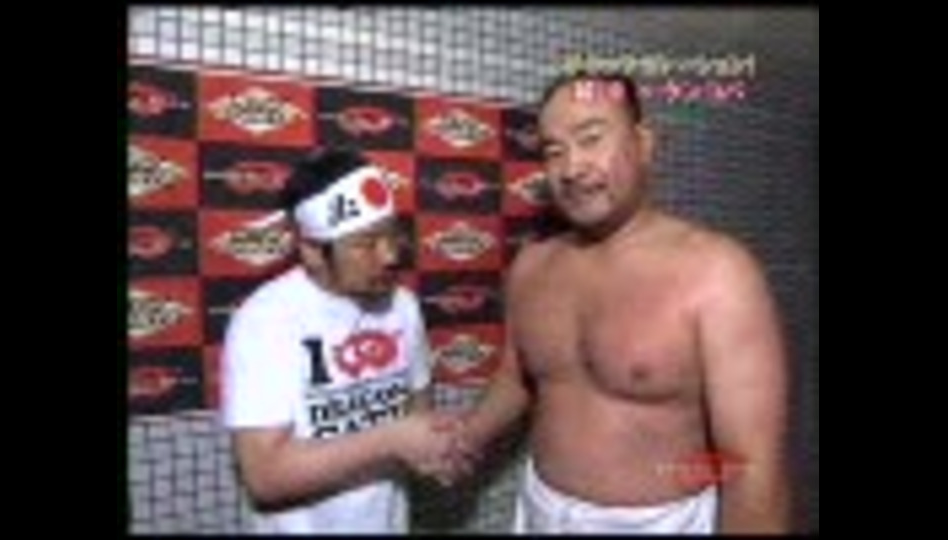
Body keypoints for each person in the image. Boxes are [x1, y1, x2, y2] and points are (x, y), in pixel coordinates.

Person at [439, 72, 792, 534]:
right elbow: (516, 376)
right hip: (540, 510)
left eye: (590, 139)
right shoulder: (532, 265)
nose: (571, 168)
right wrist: (465, 438)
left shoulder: (718, 273)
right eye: (553, 150)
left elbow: (751, 468)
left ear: (643, 144)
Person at [220, 147, 457, 534]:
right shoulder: (265, 320)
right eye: (366, 244)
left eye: (391, 235)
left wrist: (433, 449)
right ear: (312, 250)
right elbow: (265, 477)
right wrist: (390, 440)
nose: (389, 256)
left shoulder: (403, 305)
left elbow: (418, 405)